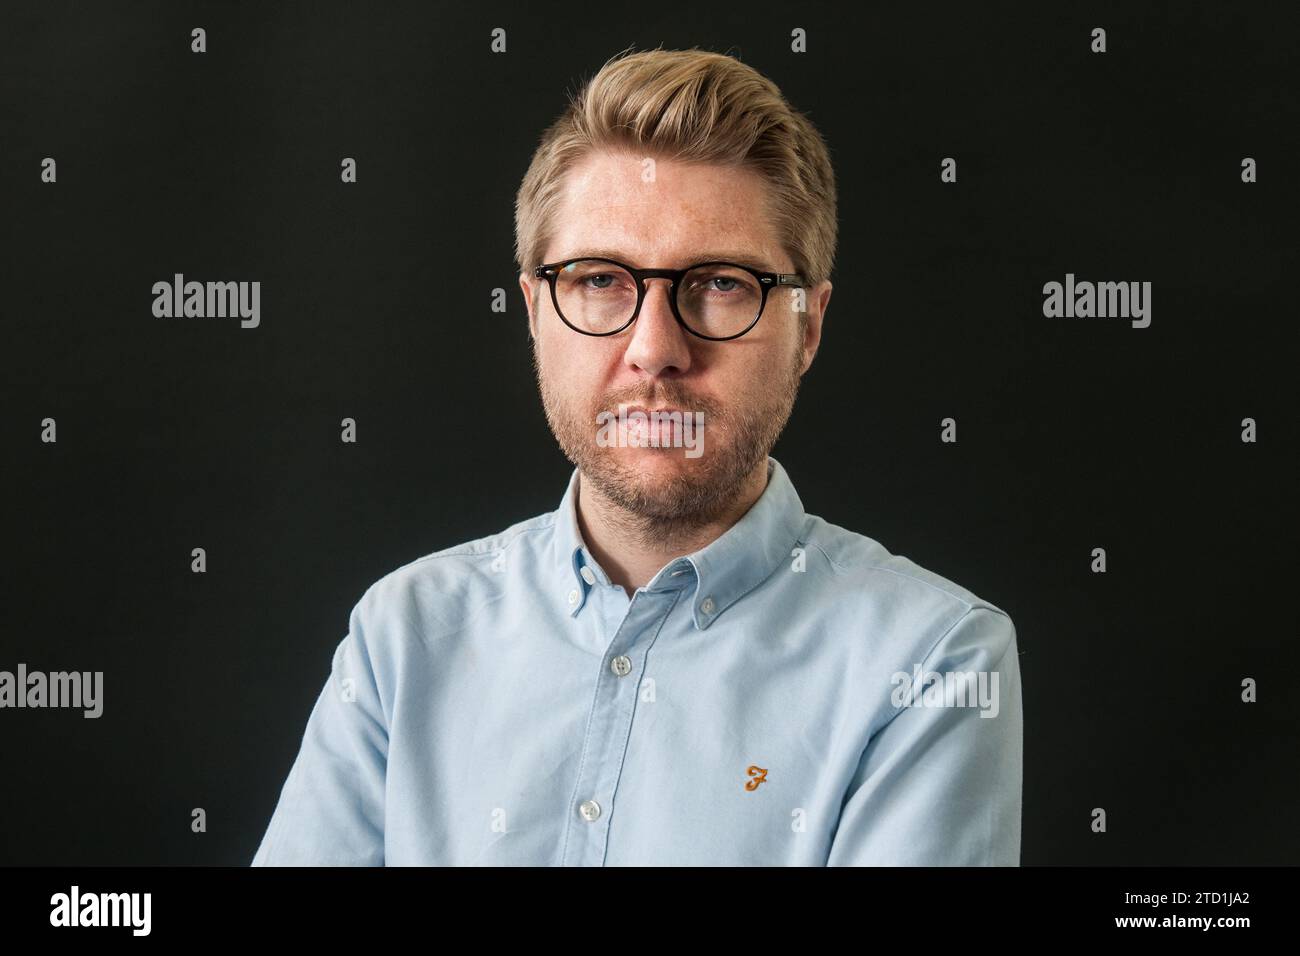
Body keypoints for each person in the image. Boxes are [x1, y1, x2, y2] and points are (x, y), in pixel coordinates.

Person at [252, 46, 1022, 866]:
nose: (655, 349)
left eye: (723, 283)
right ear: (533, 312)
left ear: (810, 327)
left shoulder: (933, 660)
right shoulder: (402, 638)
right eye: (599, 281)